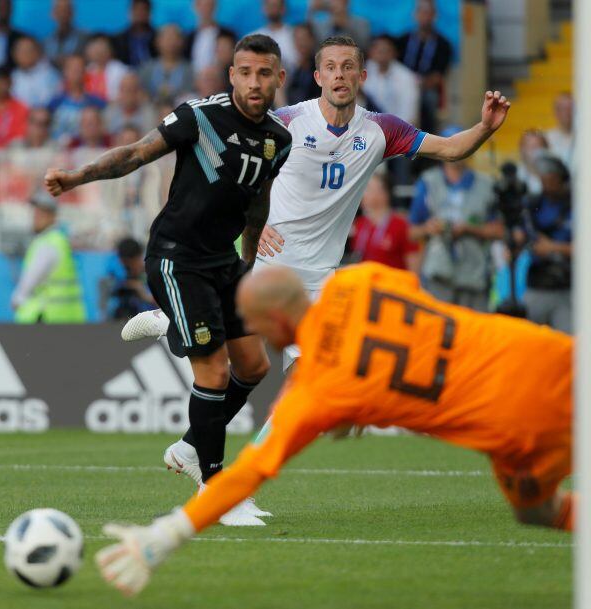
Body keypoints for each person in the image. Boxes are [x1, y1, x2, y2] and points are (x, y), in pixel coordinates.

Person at [122, 36, 510, 481]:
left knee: (296, 379)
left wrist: (484, 128)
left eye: (349, 67)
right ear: (318, 75)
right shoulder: (285, 121)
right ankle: (236, 469)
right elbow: (235, 168)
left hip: (325, 277)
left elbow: (450, 149)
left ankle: (193, 426)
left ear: (362, 76)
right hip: (276, 268)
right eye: (331, 67)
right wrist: (254, 219)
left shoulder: (382, 130)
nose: (340, 75)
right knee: (272, 373)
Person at [96, 262, 574, 596]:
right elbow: (411, 303)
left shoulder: (318, 389)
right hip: (544, 354)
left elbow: (250, 471)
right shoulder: (359, 278)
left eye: (257, 324)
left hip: (519, 429)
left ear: (277, 320)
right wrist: (375, 393)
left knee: (539, 512)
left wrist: (170, 533)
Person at [44, 34, 292, 525]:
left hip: (224, 262)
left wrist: (248, 261)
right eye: (245, 72)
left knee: (255, 366)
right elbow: (136, 154)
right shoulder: (198, 117)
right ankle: (215, 494)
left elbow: (256, 202)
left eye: (265, 73)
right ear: (232, 75)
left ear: (279, 78)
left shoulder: (277, 140)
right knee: (215, 373)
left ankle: (189, 444)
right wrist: (76, 177)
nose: (255, 82)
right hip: (177, 260)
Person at [408, 126, 504, 311]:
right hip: (438, 275)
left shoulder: (486, 185)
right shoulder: (428, 182)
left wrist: (470, 229)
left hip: (475, 275)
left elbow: (500, 230)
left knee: (473, 335)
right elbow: (412, 232)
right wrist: (429, 228)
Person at [12, 191, 86, 324]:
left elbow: (31, 279)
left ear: (52, 216)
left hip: (47, 319)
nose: (35, 217)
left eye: (40, 213)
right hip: (69, 319)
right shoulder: (59, 240)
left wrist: (17, 299)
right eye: (35, 212)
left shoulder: (47, 243)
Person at [521, 155, 572, 334]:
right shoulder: (532, 203)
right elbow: (521, 235)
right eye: (543, 176)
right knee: (531, 343)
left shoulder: (575, 203)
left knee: (569, 344)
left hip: (567, 287)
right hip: (537, 283)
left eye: (551, 175)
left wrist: (552, 247)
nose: (547, 180)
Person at [396, 0, 453, 134]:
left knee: (429, 98)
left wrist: (416, 86)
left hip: (424, 87)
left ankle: (426, 140)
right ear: (415, 15)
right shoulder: (402, 40)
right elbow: (395, 67)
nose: (425, 17)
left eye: (428, 13)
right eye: (421, 12)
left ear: (435, 16)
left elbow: (438, 76)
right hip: (399, 84)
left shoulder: (443, 45)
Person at [350, 173, 419, 272]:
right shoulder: (360, 224)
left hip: (393, 285)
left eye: (368, 188)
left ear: (383, 193)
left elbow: (414, 269)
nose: (362, 192)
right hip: (365, 284)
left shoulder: (401, 225)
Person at [363, 35, 419, 125]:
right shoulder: (364, 70)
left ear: (394, 53)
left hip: (396, 129)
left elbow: (408, 113)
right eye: (378, 50)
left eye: (385, 50)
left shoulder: (406, 77)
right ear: (371, 52)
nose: (381, 53)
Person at [138, 25, 193, 103]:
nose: (171, 43)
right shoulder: (146, 69)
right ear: (157, 42)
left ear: (182, 42)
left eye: (175, 38)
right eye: (167, 39)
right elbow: (142, 93)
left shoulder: (190, 70)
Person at [106, 236, 157, 320]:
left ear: (139, 257)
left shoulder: (154, 274)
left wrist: (142, 293)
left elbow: (165, 304)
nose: (128, 269)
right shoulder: (121, 278)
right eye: (125, 266)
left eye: (129, 265)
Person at [185, 0, 236, 74]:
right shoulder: (189, 37)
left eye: (209, 5)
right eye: (202, 5)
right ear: (195, 7)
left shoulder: (227, 35)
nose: (206, 9)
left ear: (215, 7)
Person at [10, 36, 62, 108]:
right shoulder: (12, 76)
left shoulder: (50, 74)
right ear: (14, 54)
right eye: (21, 51)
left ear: (38, 52)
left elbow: (54, 99)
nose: (24, 54)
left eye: (28, 51)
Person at [104, 72, 157, 136]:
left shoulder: (149, 114)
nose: (126, 95)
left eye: (129, 90)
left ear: (138, 93)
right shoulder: (110, 111)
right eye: (123, 90)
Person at [84, 35, 131, 103]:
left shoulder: (120, 69)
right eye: (95, 49)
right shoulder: (87, 70)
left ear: (110, 51)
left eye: (102, 49)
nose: (98, 52)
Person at [253, 0, 298, 70]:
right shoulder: (254, 37)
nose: (273, 9)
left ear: (283, 9)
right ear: (264, 8)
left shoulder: (294, 34)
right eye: (270, 6)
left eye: (276, 6)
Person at [112, 0, 157, 68]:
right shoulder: (118, 40)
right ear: (129, 12)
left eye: (143, 9)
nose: (139, 13)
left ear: (150, 13)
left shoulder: (158, 37)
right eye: (136, 9)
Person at [44, 0, 89, 66]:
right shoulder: (47, 41)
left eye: (66, 10)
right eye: (59, 10)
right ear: (52, 13)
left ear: (72, 12)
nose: (62, 14)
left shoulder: (84, 37)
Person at [286, 24, 321, 106]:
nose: (301, 43)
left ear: (313, 40)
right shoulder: (295, 70)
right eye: (297, 39)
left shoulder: (321, 66)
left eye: (304, 39)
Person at [545, 92, 573, 172]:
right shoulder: (546, 138)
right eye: (562, 109)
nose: (567, 113)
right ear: (555, 111)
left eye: (570, 108)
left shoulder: (585, 138)